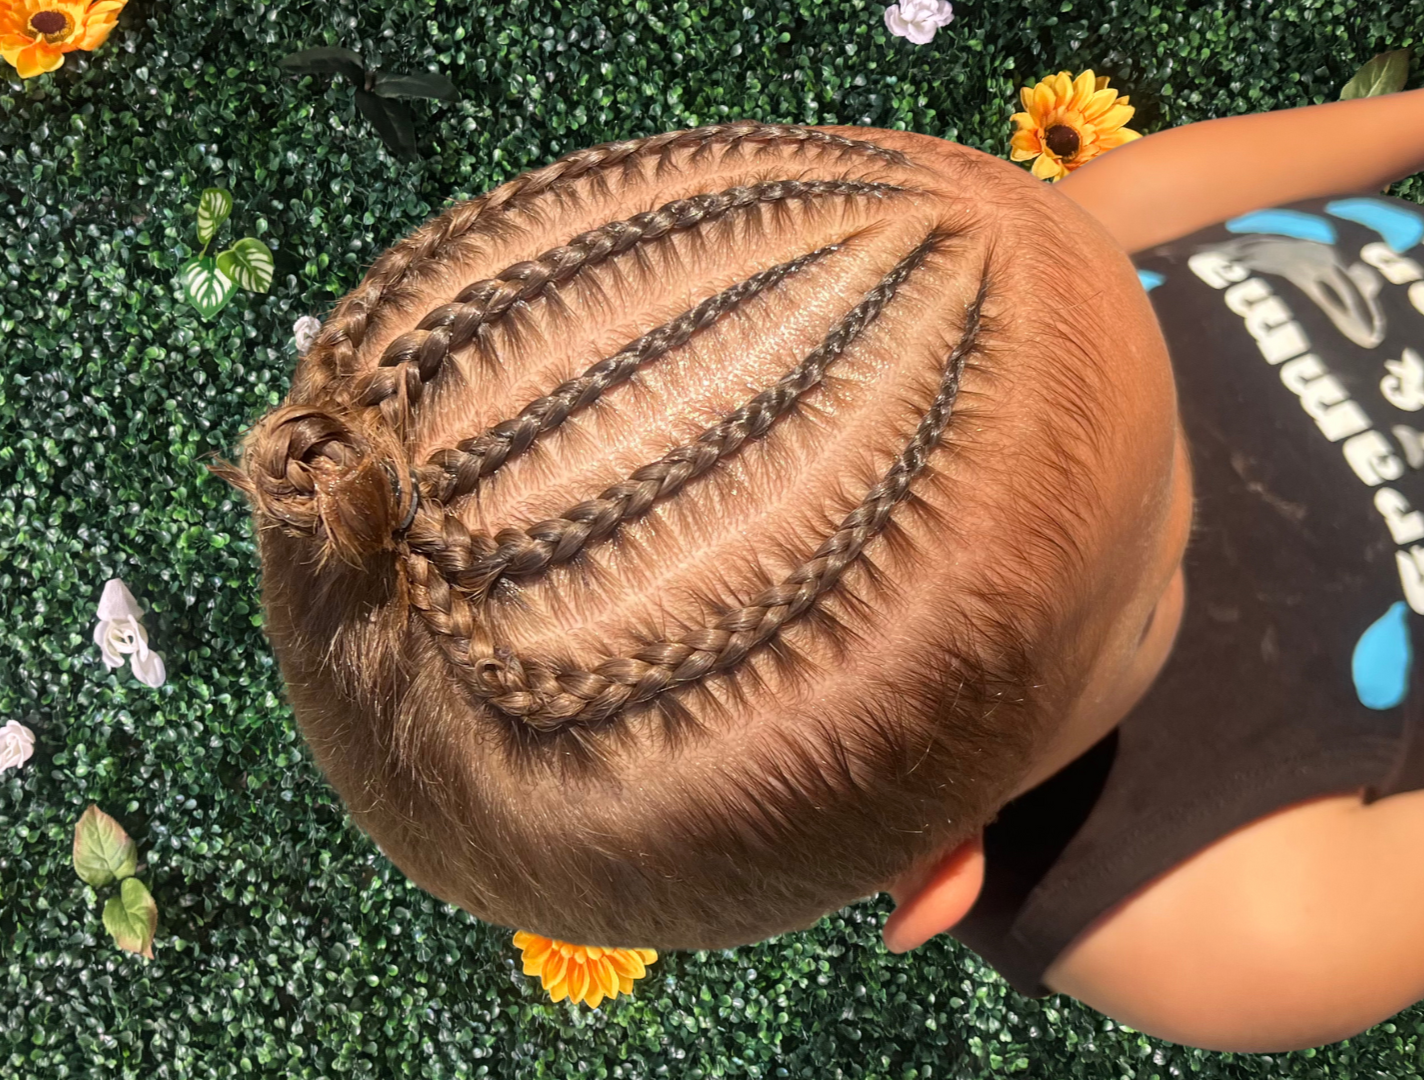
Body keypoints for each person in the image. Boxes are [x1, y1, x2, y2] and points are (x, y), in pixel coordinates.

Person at [214, 88, 1424, 1055]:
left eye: (1136, 297)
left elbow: (1137, 198)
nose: (1207, 474)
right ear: (941, 868)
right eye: (1152, 589)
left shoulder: (977, 289)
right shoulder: (1251, 930)